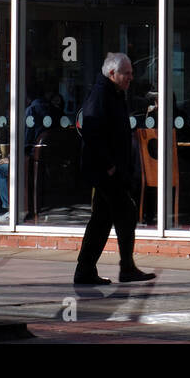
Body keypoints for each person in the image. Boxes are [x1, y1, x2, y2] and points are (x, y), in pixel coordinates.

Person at [73, 52, 155, 285]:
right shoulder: (101, 95)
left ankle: (85, 270)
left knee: (101, 219)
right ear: (112, 73)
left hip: (111, 170)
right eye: (126, 74)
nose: (131, 77)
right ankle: (125, 268)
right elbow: (91, 131)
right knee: (126, 213)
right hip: (105, 171)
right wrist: (109, 165)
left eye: (131, 73)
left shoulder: (116, 94)